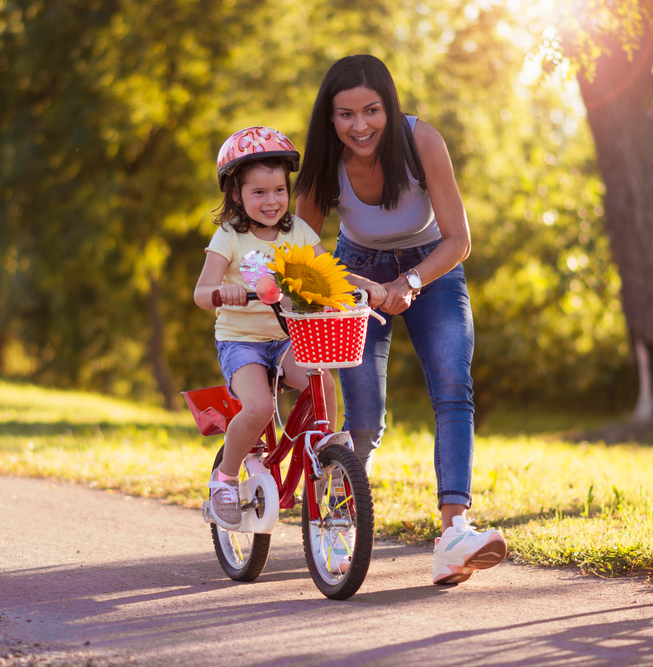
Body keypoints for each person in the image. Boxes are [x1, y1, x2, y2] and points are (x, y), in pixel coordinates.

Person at [294, 55, 506, 585]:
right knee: (364, 422)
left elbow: (459, 240)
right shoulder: (326, 164)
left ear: (389, 106)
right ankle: (338, 526)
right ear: (330, 118)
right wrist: (348, 287)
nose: (360, 126)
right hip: (356, 272)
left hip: (432, 268)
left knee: (454, 388)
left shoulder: (422, 141)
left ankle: (454, 534)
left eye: (371, 110)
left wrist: (408, 283)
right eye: (345, 115)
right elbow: (300, 245)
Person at [194, 126, 385, 531]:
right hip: (241, 342)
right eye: (258, 192)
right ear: (236, 195)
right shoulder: (229, 237)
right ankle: (224, 480)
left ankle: (327, 450)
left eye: (279, 190)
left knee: (321, 379)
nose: (271, 201)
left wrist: (364, 287)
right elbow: (200, 292)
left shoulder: (298, 231)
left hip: (286, 337)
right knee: (260, 407)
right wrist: (221, 292)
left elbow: (326, 272)